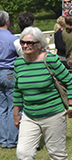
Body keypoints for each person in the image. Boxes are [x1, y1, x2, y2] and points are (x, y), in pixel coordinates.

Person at [13, 26, 72, 160]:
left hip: (53, 115)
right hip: (29, 116)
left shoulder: (51, 60)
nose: (25, 45)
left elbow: (70, 82)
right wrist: (16, 114)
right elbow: (18, 89)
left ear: (39, 44)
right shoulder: (18, 63)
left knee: (56, 154)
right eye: (22, 42)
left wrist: (71, 105)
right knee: (23, 153)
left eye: (29, 43)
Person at [0, 11, 22, 149]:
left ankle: (3, 139)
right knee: (13, 107)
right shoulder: (13, 39)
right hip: (9, 73)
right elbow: (23, 54)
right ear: (7, 22)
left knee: (1, 108)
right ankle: (11, 140)